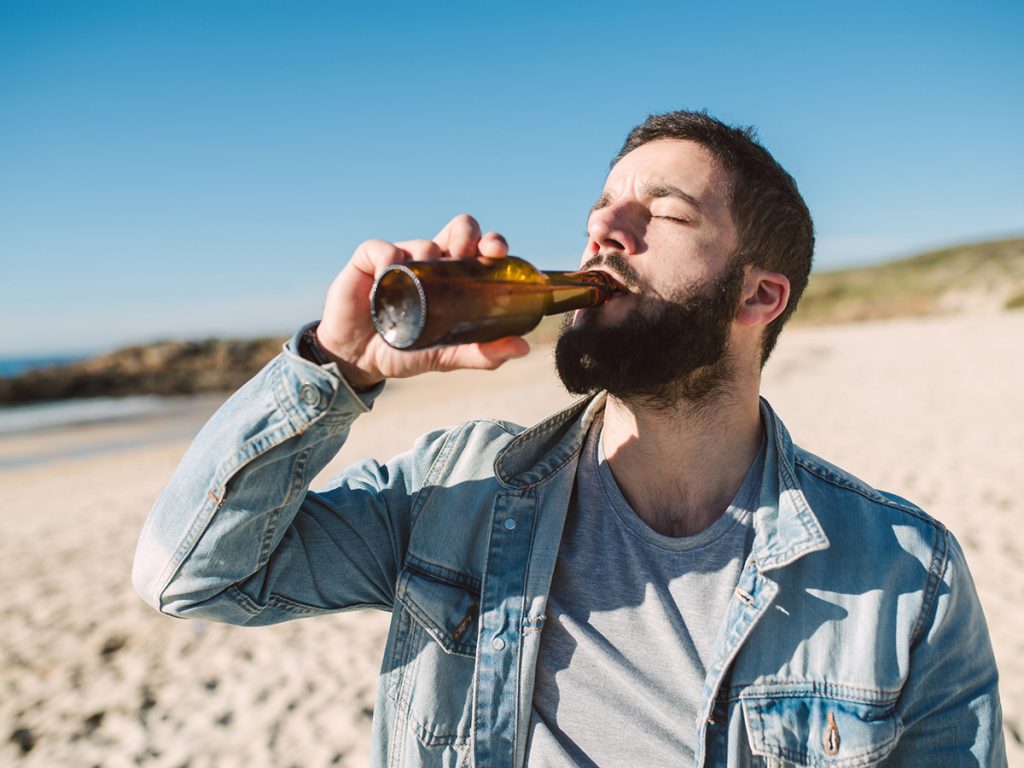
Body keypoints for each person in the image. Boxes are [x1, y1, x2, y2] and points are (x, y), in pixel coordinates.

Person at [133, 110, 1006, 767]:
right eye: (603, 206)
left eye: (660, 213)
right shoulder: (457, 489)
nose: (605, 230)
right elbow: (191, 575)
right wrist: (337, 364)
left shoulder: (904, 572)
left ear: (758, 297)